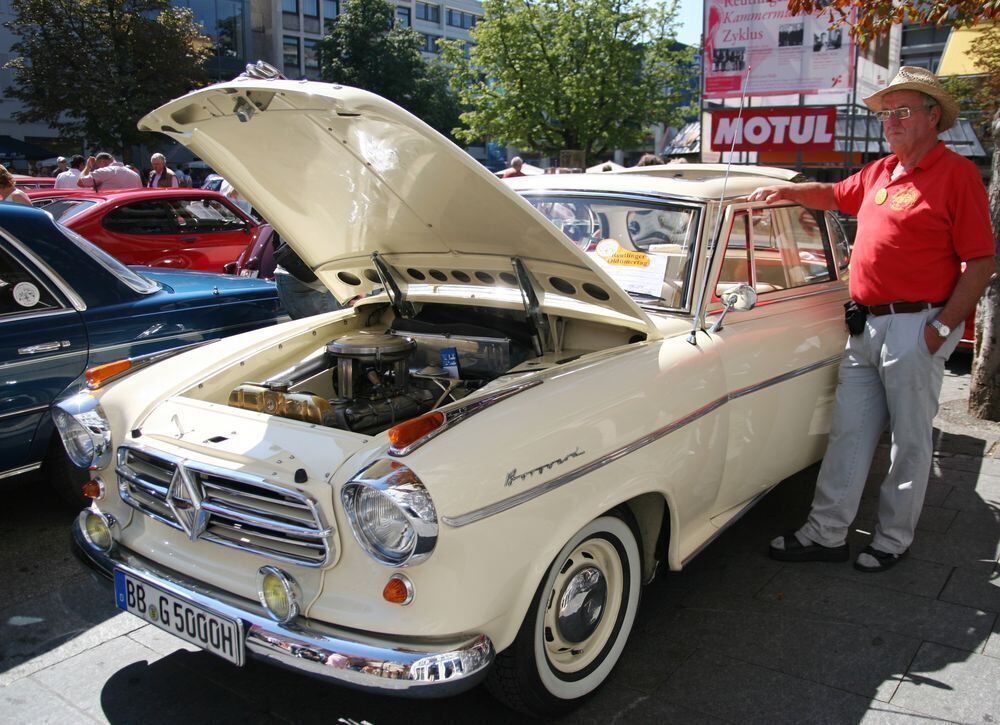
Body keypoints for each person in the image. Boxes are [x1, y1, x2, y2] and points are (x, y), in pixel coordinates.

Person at [749, 67, 995, 573]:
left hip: (916, 325)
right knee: (850, 433)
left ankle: (892, 539)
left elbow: (981, 262)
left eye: (902, 111)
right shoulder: (881, 171)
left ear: (933, 117)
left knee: (910, 442)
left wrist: (940, 330)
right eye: (886, 113)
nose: (891, 121)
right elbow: (834, 195)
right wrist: (787, 191)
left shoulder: (957, 175)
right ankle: (826, 533)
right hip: (865, 325)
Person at [77, 152, 142, 190]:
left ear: (103, 162)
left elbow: (80, 183)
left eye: (97, 166)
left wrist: (88, 166)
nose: (97, 169)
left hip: (112, 208)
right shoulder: (135, 174)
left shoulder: (105, 171)